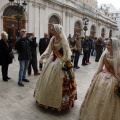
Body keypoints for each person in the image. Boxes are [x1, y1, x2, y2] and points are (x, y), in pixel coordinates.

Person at [34, 24, 77, 111]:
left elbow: (67, 54)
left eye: (53, 30)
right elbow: (49, 50)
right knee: (46, 80)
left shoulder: (63, 40)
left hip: (61, 62)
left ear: (57, 32)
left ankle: (62, 102)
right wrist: (43, 58)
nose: (51, 31)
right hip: (52, 60)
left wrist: (63, 63)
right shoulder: (52, 39)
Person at [80, 38, 120, 120]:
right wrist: (96, 75)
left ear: (114, 46)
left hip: (114, 79)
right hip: (102, 76)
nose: (107, 46)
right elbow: (100, 67)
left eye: (109, 45)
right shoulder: (105, 54)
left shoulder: (119, 56)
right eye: (107, 44)